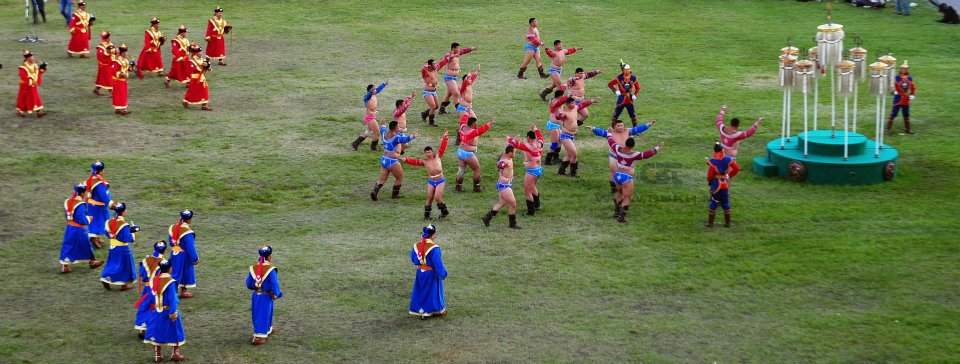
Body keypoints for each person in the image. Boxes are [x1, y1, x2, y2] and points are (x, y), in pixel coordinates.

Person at [588, 119, 656, 192]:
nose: (620, 127)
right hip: (614, 155)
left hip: (626, 156)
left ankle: (625, 185)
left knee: (627, 172)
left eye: (622, 125)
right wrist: (594, 129)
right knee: (613, 171)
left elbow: (637, 129)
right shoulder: (611, 132)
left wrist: (648, 124)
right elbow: (602, 132)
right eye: (618, 126)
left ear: (624, 126)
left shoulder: (628, 131)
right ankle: (613, 188)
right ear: (614, 126)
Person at [607, 135, 663, 223]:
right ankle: (622, 217)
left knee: (620, 194)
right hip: (626, 177)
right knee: (627, 198)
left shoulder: (618, 149)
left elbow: (611, 142)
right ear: (633, 146)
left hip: (617, 176)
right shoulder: (634, 155)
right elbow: (647, 154)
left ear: (625, 143)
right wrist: (658, 148)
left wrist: (609, 134)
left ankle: (616, 213)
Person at [143, 260, 186, 363]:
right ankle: (175, 354)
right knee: (176, 331)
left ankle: (157, 355)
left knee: (156, 332)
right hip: (168, 311)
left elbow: (151, 297)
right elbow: (173, 299)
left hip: (156, 311)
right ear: (170, 269)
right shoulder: (170, 282)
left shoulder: (154, 280)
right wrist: (173, 312)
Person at [401, 131, 450, 220]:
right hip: (431, 181)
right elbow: (415, 162)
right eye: (426, 152)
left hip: (440, 180)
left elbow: (442, 147)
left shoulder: (438, 156)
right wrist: (406, 160)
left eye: (429, 152)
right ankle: (426, 216)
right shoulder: (424, 161)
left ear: (432, 152)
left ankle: (444, 212)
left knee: (437, 197)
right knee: (429, 197)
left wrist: (445, 138)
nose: (428, 154)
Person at [60, 183, 104, 273]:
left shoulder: (68, 201)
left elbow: (67, 214)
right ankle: (92, 261)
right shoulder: (80, 204)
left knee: (68, 245)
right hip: (79, 229)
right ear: (83, 193)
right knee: (87, 245)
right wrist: (89, 219)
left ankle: (65, 266)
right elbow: (81, 219)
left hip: (70, 227)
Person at [370, 121, 419, 201]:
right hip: (392, 161)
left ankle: (375, 191)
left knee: (383, 178)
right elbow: (404, 139)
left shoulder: (384, 134)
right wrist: (413, 136)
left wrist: (383, 125)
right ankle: (395, 195)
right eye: (398, 126)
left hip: (384, 159)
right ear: (396, 128)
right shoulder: (396, 137)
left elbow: (382, 129)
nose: (399, 128)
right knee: (399, 177)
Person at [409, 225, 448, 319]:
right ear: (432, 235)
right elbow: (438, 264)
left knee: (421, 290)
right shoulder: (434, 248)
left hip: (420, 272)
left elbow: (413, 259)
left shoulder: (416, 245)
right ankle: (429, 311)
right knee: (432, 292)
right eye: (434, 235)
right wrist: (443, 274)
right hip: (431, 274)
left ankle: (421, 310)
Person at [247, 245, 283, 345]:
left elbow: (249, 284)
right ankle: (259, 336)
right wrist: (278, 294)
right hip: (267, 295)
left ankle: (268, 328)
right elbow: (274, 284)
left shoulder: (253, 268)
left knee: (258, 313)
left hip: (256, 295)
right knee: (264, 314)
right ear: (269, 257)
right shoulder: (271, 270)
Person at [506, 125, 545, 216]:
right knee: (532, 186)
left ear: (528, 137)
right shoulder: (540, 143)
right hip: (539, 169)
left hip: (531, 171)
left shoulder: (528, 146)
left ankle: (531, 212)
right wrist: (535, 128)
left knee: (527, 191)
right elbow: (541, 135)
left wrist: (509, 138)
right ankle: (537, 205)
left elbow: (515, 144)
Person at [555, 96, 598, 177]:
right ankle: (573, 173)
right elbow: (558, 117)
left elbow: (582, 105)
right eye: (572, 103)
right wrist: (560, 115)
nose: (574, 104)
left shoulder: (575, 108)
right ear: (567, 104)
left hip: (571, 136)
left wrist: (592, 100)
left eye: (574, 102)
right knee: (574, 154)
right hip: (565, 136)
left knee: (568, 155)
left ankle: (561, 172)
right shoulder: (564, 113)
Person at [100, 202, 139, 290]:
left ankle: (105, 277)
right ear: (123, 212)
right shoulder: (124, 225)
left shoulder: (109, 222)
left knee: (112, 263)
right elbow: (128, 238)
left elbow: (106, 232)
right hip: (123, 248)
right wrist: (134, 231)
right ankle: (124, 285)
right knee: (124, 266)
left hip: (112, 247)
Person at [481, 145, 521, 229]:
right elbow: (500, 165)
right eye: (514, 152)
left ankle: (487, 217)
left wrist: (513, 141)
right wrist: (501, 166)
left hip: (503, 184)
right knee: (513, 203)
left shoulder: (508, 157)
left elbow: (508, 149)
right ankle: (512, 224)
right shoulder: (505, 161)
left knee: (502, 203)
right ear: (510, 153)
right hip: (504, 185)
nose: (515, 154)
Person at [135, 241, 167, 339]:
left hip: (147, 287)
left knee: (145, 305)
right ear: (164, 251)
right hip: (156, 288)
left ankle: (142, 328)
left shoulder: (146, 260)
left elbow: (141, 273)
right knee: (157, 307)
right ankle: (155, 330)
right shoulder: (163, 262)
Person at [456, 115, 495, 192]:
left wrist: (467, 113)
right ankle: (476, 188)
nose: (477, 124)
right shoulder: (472, 132)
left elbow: (463, 120)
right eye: (476, 123)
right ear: (473, 123)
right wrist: (489, 123)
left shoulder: (462, 127)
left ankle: (458, 187)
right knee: (477, 169)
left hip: (460, 151)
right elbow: (481, 130)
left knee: (461, 169)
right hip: (467, 153)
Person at [705, 143, 740, 228]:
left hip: (716, 184)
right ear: (722, 150)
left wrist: (710, 182)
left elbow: (710, 175)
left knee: (714, 202)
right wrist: (730, 175)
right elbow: (736, 168)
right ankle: (727, 223)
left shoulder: (713, 161)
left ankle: (711, 223)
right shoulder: (727, 159)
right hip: (724, 184)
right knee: (725, 202)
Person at [436, 43, 478, 114]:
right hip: (449, 78)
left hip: (454, 77)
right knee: (456, 94)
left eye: (459, 48)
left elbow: (464, 51)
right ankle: (460, 111)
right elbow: (448, 57)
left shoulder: (458, 53)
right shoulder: (448, 55)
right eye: (457, 48)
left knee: (449, 94)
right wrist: (454, 55)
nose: (459, 49)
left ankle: (442, 109)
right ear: (453, 48)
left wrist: (472, 48)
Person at [168, 209, 199, 298]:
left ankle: (182, 292)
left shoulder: (173, 227)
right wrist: (195, 258)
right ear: (189, 220)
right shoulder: (187, 232)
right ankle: (172, 293)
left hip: (174, 252)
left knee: (179, 272)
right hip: (184, 255)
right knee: (178, 274)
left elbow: (171, 242)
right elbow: (190, 247)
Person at [351, 80, 389, 151]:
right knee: (377, 132)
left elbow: (378, 89)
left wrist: (384, 84)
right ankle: (373, 147)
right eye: (373, 89)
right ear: (370, 90)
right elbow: (369, 94)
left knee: (368, 132)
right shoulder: (367, 97)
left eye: (375, 89)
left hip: (370, 117)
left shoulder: (374, 93)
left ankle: (355, 143)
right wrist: (372, 91)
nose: (375, 90)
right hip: (370, 118)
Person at [85, 160, 112, 249]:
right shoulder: (98, 183)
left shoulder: (93, 178)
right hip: (98, 207)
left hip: (94, 205)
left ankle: (96, 237)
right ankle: (93, 239)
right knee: (98, 222)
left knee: (101, 222)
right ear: (100, 171)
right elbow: (104, 196)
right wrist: (112, 205)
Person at [607, 61, 641, 126]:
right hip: (621, 98)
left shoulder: (633, 78)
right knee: (616, 114)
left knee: (633, 115)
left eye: (629, 69)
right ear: (623, 70)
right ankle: (613, 130)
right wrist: (615, 91)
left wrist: (635, 95)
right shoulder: (619, 78)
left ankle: (635, 130)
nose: (628, 70)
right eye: (626, 69)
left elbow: (638, 87)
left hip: (630, 99)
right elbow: (610, 84)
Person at [16, 50, 47, 118]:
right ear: (27, 58)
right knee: (24, 98)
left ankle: (39, 112)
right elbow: (24, 76)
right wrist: (31, 82)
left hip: (33, 86)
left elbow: (38, 73)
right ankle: (20, 111)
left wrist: (43, 68)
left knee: (35, 97)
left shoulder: (34, 65)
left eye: (33, 57)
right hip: (25, 86)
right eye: (31, 57)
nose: (33, 58)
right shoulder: (23, 67)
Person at [887, 61, 916, 134]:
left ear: (907, 69)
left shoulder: (910, 78)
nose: (903, 70)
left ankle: (908, 128)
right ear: (900, 69)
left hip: (906, 98)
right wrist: (893, 91)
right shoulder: (897, 77)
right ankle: (889, 128)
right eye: (902, 68)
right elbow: (892, 86)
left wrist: (912, 94)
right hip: (898, 98)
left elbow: (912, 87)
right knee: (893, 113)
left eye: (905, 69)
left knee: (906, 114)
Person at [182, 45, 212, 111]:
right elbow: (193, 69)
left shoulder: (203, 60)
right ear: (195, 53)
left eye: (201, 52)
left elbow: (209, 67)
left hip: (202, 78)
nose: (201, 53)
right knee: (192, 91)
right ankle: (186, 101)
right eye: (199, 52)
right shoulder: (191, 61)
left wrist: (208, 67)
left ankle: (204, 105)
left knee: (204, 90)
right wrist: (203, 67)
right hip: (195, 79)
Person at [543, 90, 568, 165]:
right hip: (553, 125)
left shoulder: (558, 102)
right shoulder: (555, 102)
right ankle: (548, 160)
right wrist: (568, 96)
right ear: (560, 96)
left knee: (560, 141)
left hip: (556, 125)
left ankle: (556, 157)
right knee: (555, 143)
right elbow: (560, 102)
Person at [111, 44, 133, 115]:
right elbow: (113, 71)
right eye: (125, 52)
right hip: (118, 81)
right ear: (122, 53)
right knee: (120, 95)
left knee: (122, 94)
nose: (126, 54)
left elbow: (126, 68)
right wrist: (121, 74)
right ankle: (122, 109)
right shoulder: (117, 61)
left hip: (123, 81)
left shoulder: (125, 60)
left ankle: (118, 109)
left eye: (126, 52)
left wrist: (130, 68)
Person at [393, 89, 417, 154]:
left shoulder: (401, 108)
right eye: (403, 104)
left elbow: (406, 101)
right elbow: (402, 110)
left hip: (401, 131)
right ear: (399, 106)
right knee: (402, 145)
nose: (404, 104)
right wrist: (406, 106)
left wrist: (411, 96)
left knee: (405, 145)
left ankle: (396, 154)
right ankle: (394, 154)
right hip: (397, 132)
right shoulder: (397, 112)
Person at [420, 59, 440, 126]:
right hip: (427, 92)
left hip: (434, 91)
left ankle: (425, 114)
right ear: (430, 65)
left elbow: (442, 63)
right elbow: (423, 72)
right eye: (434, 64)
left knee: (437, 106)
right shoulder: (426, 71)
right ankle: (431, 122)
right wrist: (424, 66)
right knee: (433, 106)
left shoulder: (435, 69)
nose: (435, 65)